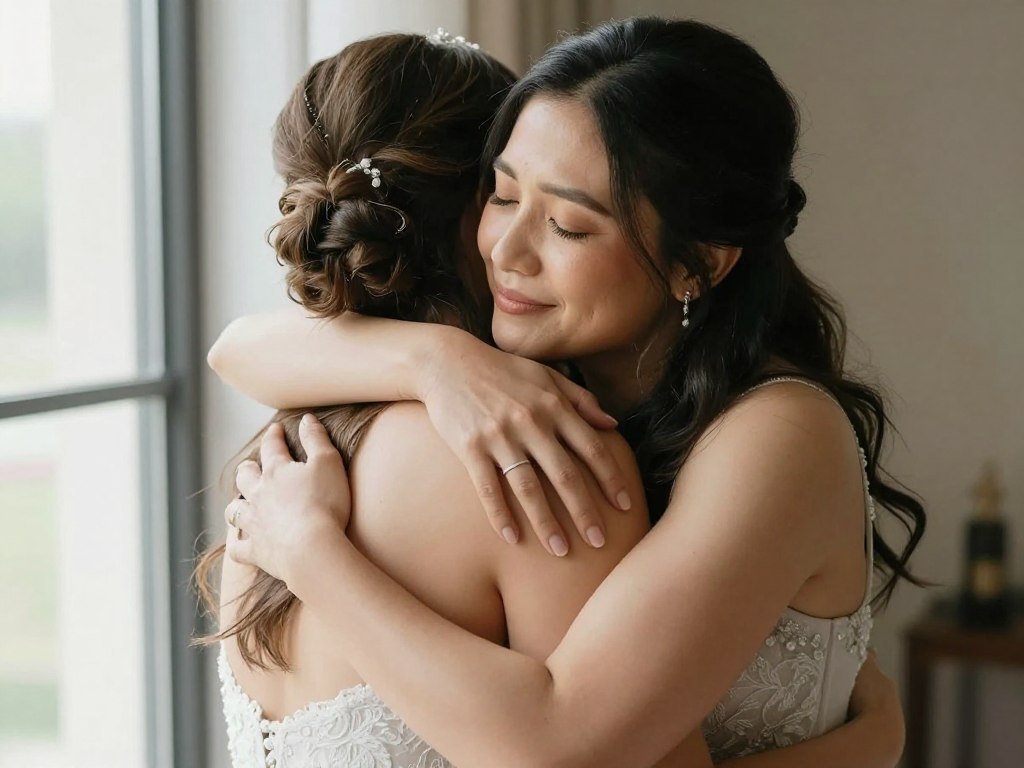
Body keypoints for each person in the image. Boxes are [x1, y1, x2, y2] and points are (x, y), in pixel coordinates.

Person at [213, 17, 919, 768]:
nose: (508, 253)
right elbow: (233, 349)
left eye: (568, 226)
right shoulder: (521, 403)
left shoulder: (777, 433)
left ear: (699, 263)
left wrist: (314, 553)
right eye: (502, 196)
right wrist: (434, 359)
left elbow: (569, 746)